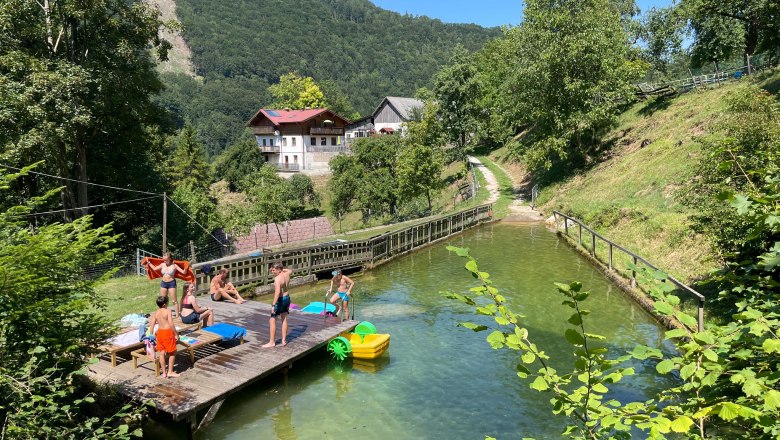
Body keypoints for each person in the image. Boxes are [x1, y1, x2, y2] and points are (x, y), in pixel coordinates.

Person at [148, 295, 179, 378]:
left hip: (160, 333)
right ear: (165, 304)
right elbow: (171, 324)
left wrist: (151, 334)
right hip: (167, 333)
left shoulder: (156, 312)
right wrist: (176, 333)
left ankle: (164, 373)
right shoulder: (167, 311)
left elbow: (152, 324)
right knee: (172, 352)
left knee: (162, 353)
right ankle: (170, 371)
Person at [146, 252, 186, 317]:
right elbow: (154, 269)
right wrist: (149, 263)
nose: (164, 261)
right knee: (162, 300)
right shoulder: (162, 264)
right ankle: (163, 314)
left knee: (174, 300)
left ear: (170, 258)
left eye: (166, 260)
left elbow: (183, 272)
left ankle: (177, 315)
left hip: (171, 283)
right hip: (163, 283)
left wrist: (186, 267)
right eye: (164, 260)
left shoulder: (174, 266)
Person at [263, 262, 291, 348]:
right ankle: (283, 340)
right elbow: (290, 270)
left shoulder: (277, 279)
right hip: (287, 298)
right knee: (284, 318)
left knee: (272, 320)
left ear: (279, 269)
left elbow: (278, 292)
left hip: (280, 300)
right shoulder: (287, 273)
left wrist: (273, 305)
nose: (272, 271)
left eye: (274, 270)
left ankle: (272, 342)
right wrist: (282, 269)